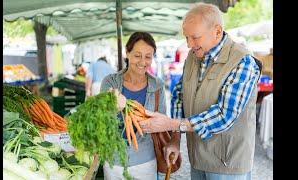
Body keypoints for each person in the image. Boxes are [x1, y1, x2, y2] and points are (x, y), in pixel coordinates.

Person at [139, 2, 261, 180]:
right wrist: (175, 139)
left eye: (194, 37)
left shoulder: (242, 62)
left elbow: (224, 115)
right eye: (186, 37)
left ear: (217, 31)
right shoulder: (193, 56)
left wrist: (170, 124)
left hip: (227, 166)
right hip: (198, 159)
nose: (189, 44)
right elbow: (180, 95)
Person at [100, 32, 179, 180]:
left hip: (145, 162)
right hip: (114, 162)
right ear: (127, 53)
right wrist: (113, 109)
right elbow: (102, 121)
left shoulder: (157, 85)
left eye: (148, 56)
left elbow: (162, 122)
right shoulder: (110, 82)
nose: (143, 62)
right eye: (137, 55)